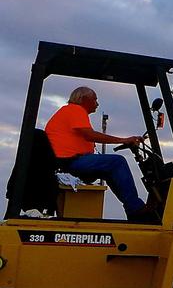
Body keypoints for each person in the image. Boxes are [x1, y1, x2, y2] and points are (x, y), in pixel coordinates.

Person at [44, 86, 149, 220]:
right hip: (70, 162)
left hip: (71, 161)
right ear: (83, 99)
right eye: (95, 100)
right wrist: (123, 140)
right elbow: (89, 135)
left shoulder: (70, 112)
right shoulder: (75, 110)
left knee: (109, 170)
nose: (97, 104)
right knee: (117, 161)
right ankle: (136, 208)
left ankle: (133, 209)